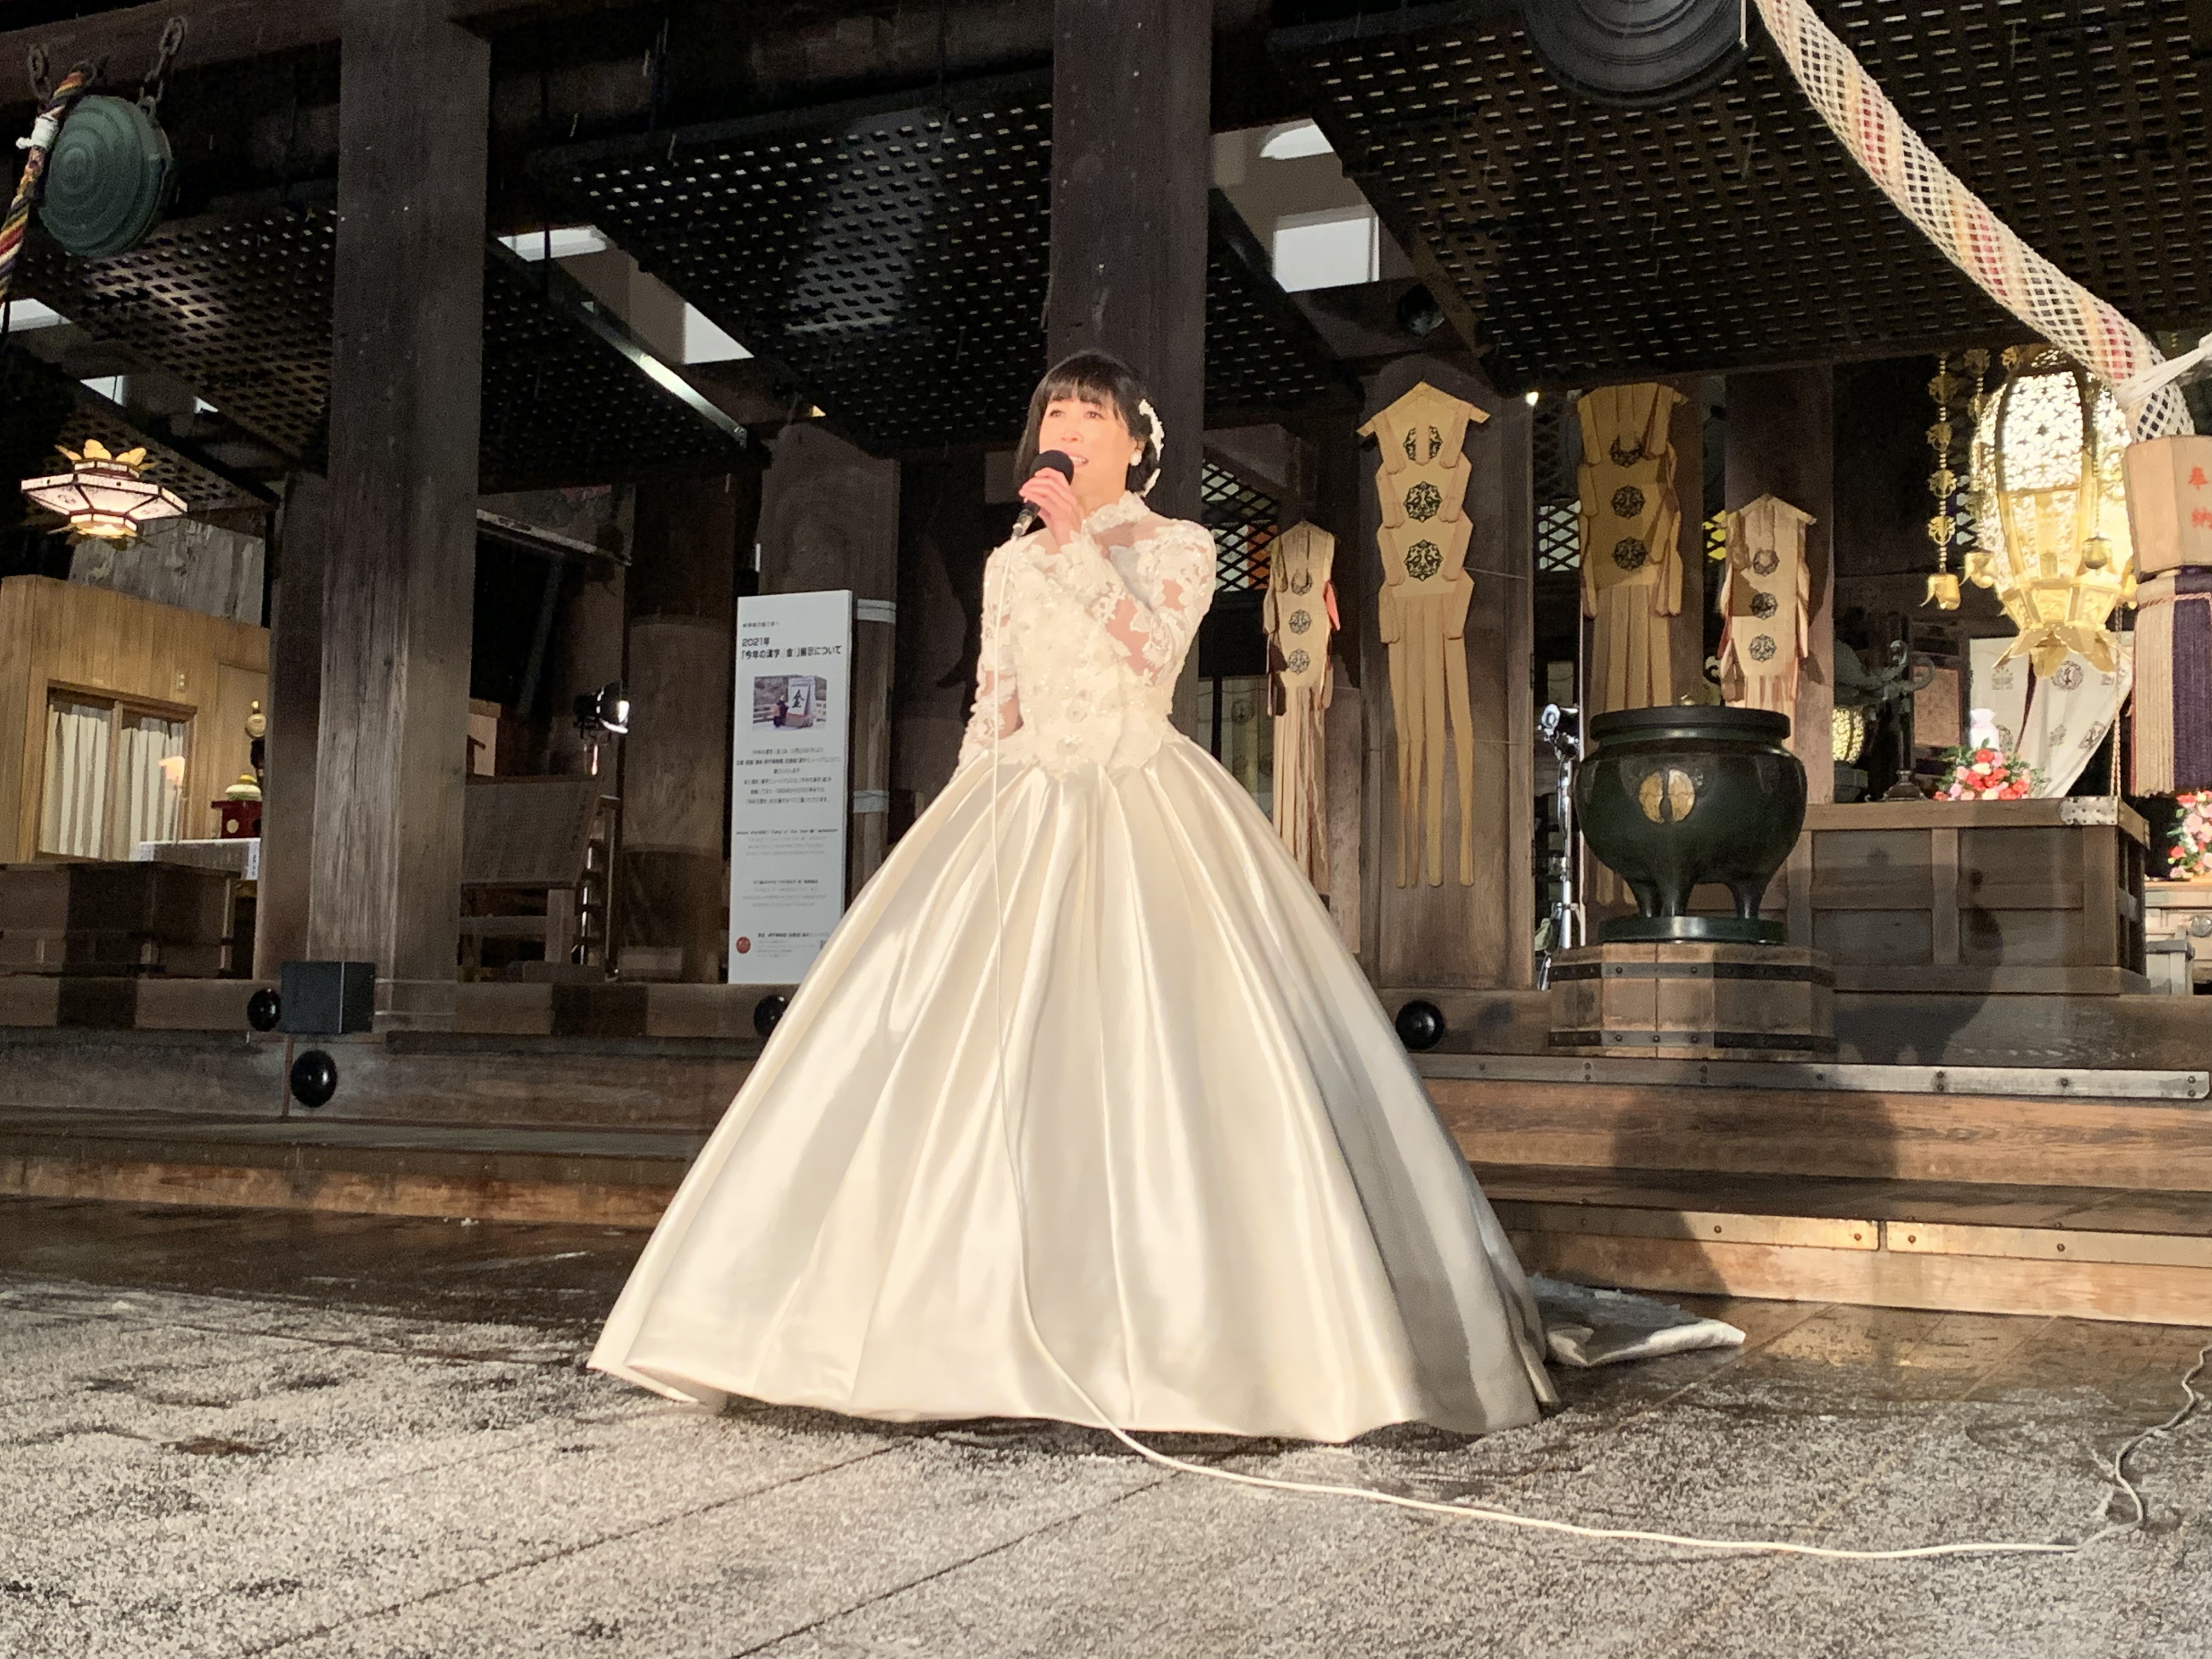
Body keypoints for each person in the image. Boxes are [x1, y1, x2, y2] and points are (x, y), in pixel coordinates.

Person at [591, 351, 1554, 1441]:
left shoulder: (1180, 545)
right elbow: (993, 705)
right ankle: (939, 1317)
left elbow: (1152, 649)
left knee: (1159, 1052)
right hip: (1021, 802)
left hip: (1141, 795)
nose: (1072, 424)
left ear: (1139, 442)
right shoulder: (1009, 567)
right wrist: (956, 826)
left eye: (1092, 412)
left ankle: (1204, 1331)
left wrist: (1079, 547)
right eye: (1056, 408)